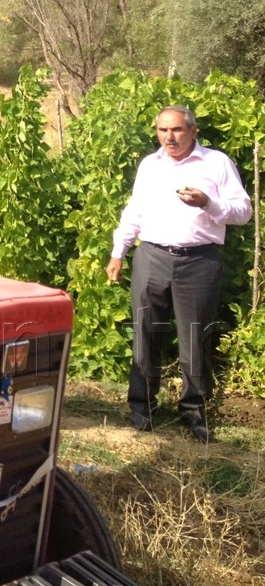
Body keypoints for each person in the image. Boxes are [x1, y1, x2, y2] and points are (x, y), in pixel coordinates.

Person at [106, 105, 251, 442]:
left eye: (176, 130)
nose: (168, 137)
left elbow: (242, 211)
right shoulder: (150, 165)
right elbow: (135, 211)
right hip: (151, 256)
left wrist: (208, 204)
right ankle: (142, 408)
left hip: (199, 261)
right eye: (162, 130)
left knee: (195, 336)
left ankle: (194, 411)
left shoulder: (216, 163)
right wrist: (119, 252)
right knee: (145, 330)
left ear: (193, 131)